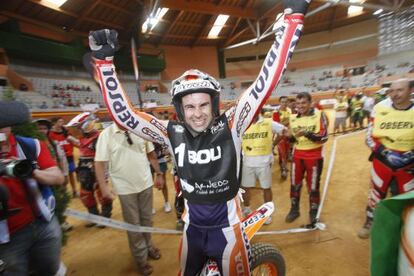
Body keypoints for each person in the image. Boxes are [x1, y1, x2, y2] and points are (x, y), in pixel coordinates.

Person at [88, 0, 310, 274]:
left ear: (214, 105)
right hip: (192, 229)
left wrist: (292, 22)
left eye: (203, 105)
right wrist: (104, 64)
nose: (197, 114)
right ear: (180, 109)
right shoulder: (171, 133)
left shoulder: (232, 125)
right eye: (190, 106)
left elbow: (263, 86)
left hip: (228, 231)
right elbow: (126, 117)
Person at [0, 101, 65, 275]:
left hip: (43, 223)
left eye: (3, 126)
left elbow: (58, 177)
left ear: (10, 126)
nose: (1, 132)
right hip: (7, 237)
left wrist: (32, 172)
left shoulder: (30, 146)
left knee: (50, 268)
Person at [95, 122, 164, 275]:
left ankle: (149, 246)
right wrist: (104, 187)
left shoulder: (139, 130)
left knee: (147, 220)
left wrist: (159, 174)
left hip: (145, 183)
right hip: (125, 188)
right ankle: (141, 259)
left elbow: (151, 155)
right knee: (133, 225)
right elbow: (99, 164)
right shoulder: (106, 135)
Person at [358, 79, 414, 239]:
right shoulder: (379, 108)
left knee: (406, 197)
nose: (395, 94)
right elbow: (369, 136)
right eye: (392, 91)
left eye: (400, 90)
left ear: (410, 90)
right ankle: (370, 221)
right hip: (382, 161)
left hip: (408, 165)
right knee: (376, 192)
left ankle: (405, 227)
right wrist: (384, 152)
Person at [285, 92, 328, 226]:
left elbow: (324, 137)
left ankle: (313, 212)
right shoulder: (293, 118)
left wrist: (307, 133)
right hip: (297, 156)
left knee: (313, 186)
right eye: (298, 103)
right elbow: (293, 139)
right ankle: (294, 209)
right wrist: (289, 136)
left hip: (314, 157)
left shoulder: (320, 115)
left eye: (303, 103)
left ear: (310, 103)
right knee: (295, 184)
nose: (300, 106)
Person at [65, 112, 113, 227]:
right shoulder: (83, 138)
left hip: (97, 165)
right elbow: (80, 145)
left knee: (101, 191)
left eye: (78, 128)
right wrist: (68, 137)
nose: (77, 130)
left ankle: (105, 216)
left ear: (86, 125)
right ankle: (94, 216)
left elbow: (105, 154)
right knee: (85, 193)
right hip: (84, 167)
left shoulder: (100, 137)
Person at [241, 109, 286, 224]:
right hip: (247, 162)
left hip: (264, 162)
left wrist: (274, 144)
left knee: (266, 188)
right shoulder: (242, 124)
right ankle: (246, 209)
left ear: (258, 111)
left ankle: (267, 213)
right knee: (246, 188)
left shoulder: (269, 122)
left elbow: (284, 131)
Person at [34, 119, 73, 232]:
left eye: (44, 128)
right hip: (41, 179)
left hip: (56, 177)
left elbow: (62, 159)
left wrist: (65, 174)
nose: (42, 131)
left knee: (59, 199)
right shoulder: (32, 145)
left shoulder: (53, 143)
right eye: (39, 128)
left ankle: (62, 221)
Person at [49, 117, 79, 197]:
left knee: (71, 174)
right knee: (62, 176)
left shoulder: (66, 132)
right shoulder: (50, 134)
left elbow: (72, 142)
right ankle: (63, 192)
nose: (62, 123)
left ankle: (74, 191)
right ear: (54, 123)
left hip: (69, 156)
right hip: (59, 158)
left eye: (62, 121)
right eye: (59, 121)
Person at [273, 96, 292, 179]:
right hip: (280, 137)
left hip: (288, 135)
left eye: (286, 102)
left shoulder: (289, 110)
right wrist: (287, 122)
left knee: (287, 152)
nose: (284, 103)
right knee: (282, 153)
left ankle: (284, 166)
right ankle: (283, 170)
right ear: (280, 102)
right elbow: (277, 126)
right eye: (283, 102)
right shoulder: (276, 112)